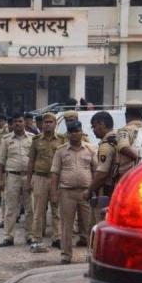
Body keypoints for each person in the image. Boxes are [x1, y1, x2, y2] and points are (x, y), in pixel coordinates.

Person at [51, 120, 95, 264]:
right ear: (68, 134)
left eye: (77, 131)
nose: (74, 134)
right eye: (71, 132)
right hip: (67, 192)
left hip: (86, 192)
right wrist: (54, 193)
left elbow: (96, 171)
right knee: (66, 225)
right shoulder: (61, 151)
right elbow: (55, 172)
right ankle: (66, 254)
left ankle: (91, 254)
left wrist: (95, 191)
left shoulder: (90, 149)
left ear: (81, 132)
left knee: (88, 224)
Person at [0, 113, 34, 247]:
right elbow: (0, 160)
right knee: (11, 207)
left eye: (20, 121)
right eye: (15, 121)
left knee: (30, 207)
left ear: (25, 123)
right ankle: (8, 236)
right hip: (12, 176)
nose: (18, 123)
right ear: (12, 124)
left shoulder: (32, 138)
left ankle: (30, 235)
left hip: (29, 176)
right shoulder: (6, 139)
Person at [27, 113, 64, 248]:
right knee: (38, 210)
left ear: (55, 124)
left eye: (50, 122)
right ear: (42, 124)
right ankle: (36, 237)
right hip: (40, 177)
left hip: (56, 178)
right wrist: (28, 181)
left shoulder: (62, 140)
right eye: (45, 122)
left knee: (57, 209)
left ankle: (57, 237)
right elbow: (31, 161)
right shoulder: (36, 140)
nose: (47, 124)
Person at [89, 111, 119, 224]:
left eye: (94, 126)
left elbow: (102, 174)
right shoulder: (118, 138)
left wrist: (89, 190)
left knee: (101, 222)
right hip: (118, 187)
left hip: (107, 190)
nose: (93, 130)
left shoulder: (106, 145)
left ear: (102, 124)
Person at [114, 100, 142, 182]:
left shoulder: (125, 130)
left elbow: (123, 147)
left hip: (127, 176)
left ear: (126, 115)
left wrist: (140, 160)